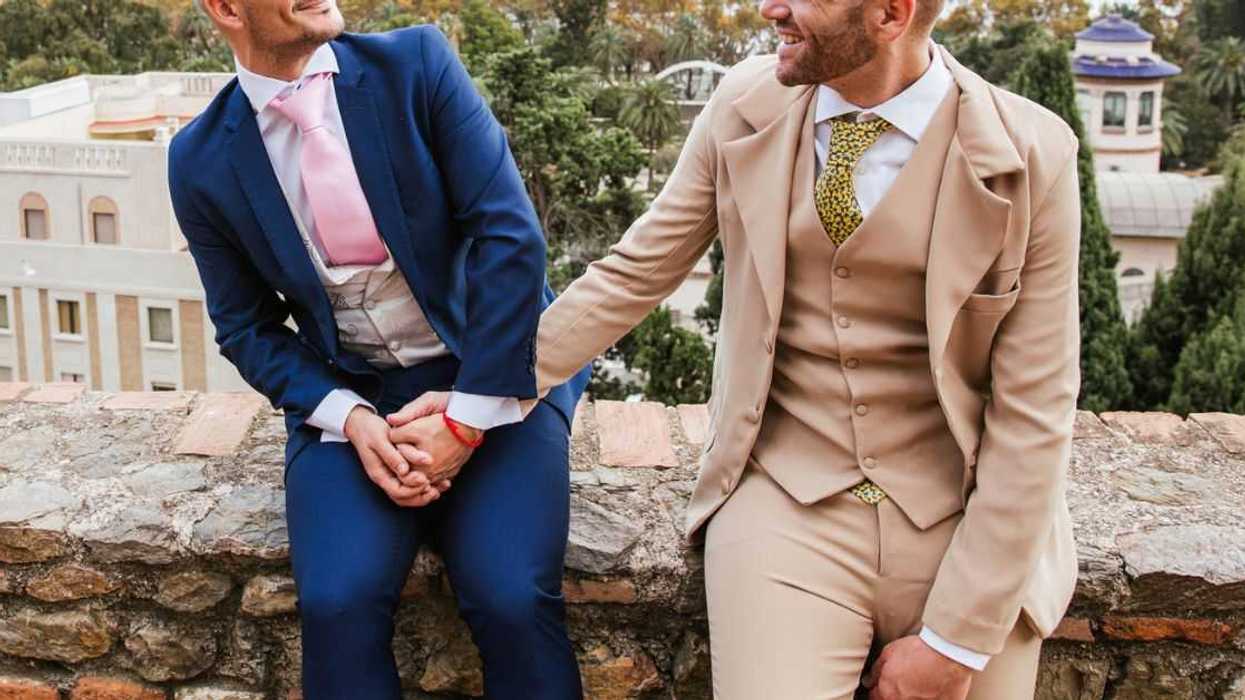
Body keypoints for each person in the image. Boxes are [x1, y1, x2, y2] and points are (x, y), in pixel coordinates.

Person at [402, 0, 1081, 697]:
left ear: (889, 14)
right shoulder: (745, 103)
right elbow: (637, 272)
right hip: (788, 504)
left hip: (964, 514)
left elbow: (1035, 406)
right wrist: (476, 400)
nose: (770, 8)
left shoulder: (1031, 152)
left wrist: (951, 643)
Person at [167, 1, 589, 697]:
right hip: (352, 395)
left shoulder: (417, 65)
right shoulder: (199, 158)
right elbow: (246, 327)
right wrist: (351, 419)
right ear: (225, 8)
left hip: (490, 369)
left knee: (510, 595)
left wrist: (467, 417)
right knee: (337, 602)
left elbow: (510, 239)